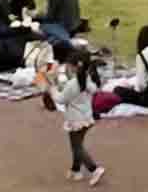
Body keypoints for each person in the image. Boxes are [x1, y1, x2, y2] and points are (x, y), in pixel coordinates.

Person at [44, 48, 106, 186]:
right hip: (87, 118)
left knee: (77, 147)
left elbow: (60, 99)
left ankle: (94, 169)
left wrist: (52, 87)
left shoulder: (74, 83)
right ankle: (76, 170)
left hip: (76, 120)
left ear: (74, 66)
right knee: (76, 145)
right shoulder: (86, 79)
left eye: (68, 65)